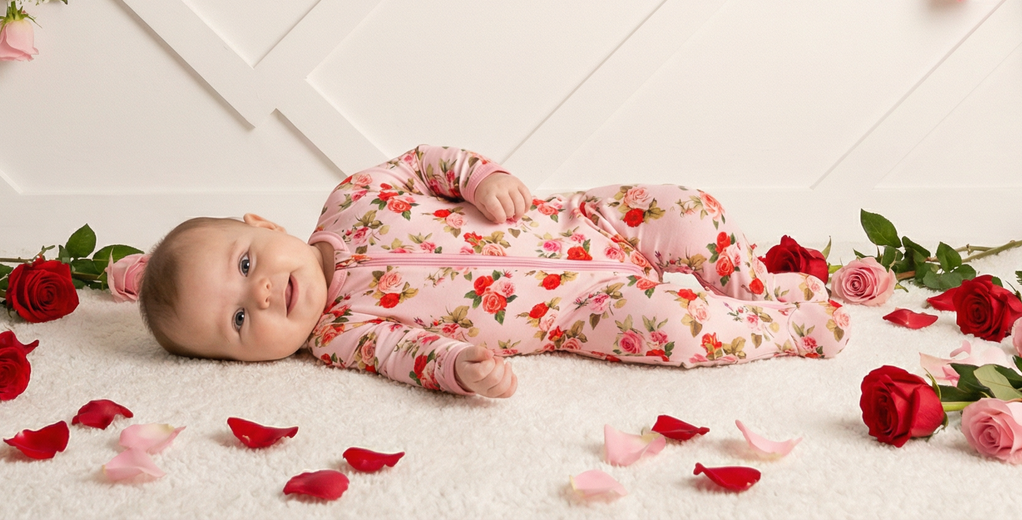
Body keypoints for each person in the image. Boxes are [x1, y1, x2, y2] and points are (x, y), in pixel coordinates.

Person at [139, 145, 848, 397]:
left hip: (578, 221)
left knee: (687, 209)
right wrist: (462, 368)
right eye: (237, 320)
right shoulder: (341, 334)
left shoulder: (353, 197)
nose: (261, 294)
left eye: (245, 263)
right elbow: (409, 354)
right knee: (678, 331)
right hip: (582, 309)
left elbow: (422, 162)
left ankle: (754, 283)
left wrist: (480, 179)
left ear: (264, 226)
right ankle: (784, 327)